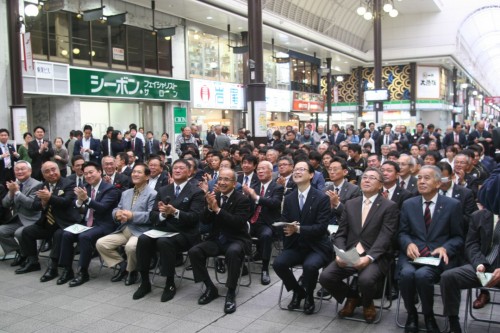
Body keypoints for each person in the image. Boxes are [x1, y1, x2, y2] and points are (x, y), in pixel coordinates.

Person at [319, 167, 399, 322]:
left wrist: (369, 258)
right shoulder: (350, 204)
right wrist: (340, 252)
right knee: (326, 277)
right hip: (351, 252)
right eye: (365, 177)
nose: (367, 180)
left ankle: (368, 303)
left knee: (366, 280)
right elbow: (341, 233)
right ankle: (352, 297)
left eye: (372, 178)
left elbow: (385, 237)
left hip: (376, 255)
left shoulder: (389, 206)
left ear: (380, 184)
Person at [398, 165, 464, 333]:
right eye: (419, 178)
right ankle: (411, 313)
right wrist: (408, 243)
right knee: (406, 274)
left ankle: (428, 315)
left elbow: (458, 237)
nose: (421, 181)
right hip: (413, 254)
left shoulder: (452, 205)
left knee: (422, 275)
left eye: (426, 178)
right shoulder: (409, 204)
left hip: (436, 257)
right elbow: (402, 233)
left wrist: (445, 247)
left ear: (437, 183)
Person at [133, 159, 205, 302]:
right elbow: (153, 215)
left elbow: (195, 217)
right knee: (143, 239)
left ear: (189, 172)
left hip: (184, 233)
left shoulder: (196, 192)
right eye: (175, 168)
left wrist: (175, 212)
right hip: (163, 229)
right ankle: (145, 281)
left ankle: (170, 282)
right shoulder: (164, 190)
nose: (177, 170)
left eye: (181, 168)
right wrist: (163, 214)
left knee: (164, 242)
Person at [440, 164, 500, 333]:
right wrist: (479, 263)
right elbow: (471, 244)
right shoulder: (479, 216)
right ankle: (453, 323)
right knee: (449, 277)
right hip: (482, 266)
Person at [188, 168, 251, 314]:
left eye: (226, 179)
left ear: (234, 183)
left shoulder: (242, 200)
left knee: (233, 251)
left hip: (236, 238)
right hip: (217, 239)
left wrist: (217, 210)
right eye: (220, 179)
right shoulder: (214, 195)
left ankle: (230, 292)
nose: (222, 182)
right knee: (194, 251)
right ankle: (210, 287)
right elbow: (204, 220)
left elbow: (238, 223)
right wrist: (209, 208)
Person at [272, 161, 333, 314]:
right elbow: (284, 218)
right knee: (279, 263)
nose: (297, 172)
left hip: (316, 246)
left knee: (310, 266)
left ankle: (310, 296)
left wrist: (298, 229)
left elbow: (321, 228)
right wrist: (286, 227)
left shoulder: (321, 198)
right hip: (296, 245)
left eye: (302, 169)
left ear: (311, 175)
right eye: (296, 169)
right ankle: (298, 291)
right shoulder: (289, 197)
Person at [56, 161, 120, 287]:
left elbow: (102, 208)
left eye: (91, 172)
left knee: (84, 237)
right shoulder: (85, 187)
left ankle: (82, 272)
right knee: (66, 234)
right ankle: (67, 269)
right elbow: (76, 206)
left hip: (103, 225)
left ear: (99, 172)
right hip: (86, 223)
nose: (88, 176)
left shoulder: (110, 189)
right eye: (85, 174)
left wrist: (86, 199)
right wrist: (80, 201)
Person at [14, 161, 81, 279]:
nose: (51, 173)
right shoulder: (42, 186)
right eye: (47, 171)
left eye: (53, 169)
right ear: (43, 175)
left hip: (64, 223)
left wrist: (50, 198)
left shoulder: (69, 184)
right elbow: (35, 205)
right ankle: (33, 261)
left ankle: (53, 266)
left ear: (59, 170)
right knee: (27, 232)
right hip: (47, 222)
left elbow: (66, 202)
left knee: (58, 234)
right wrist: (43, 204)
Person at [96, 163, 157, 286]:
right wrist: (117, 214)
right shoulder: (126, 193)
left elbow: (152, 216)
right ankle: (123, 265)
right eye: (134, 172)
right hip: (124, 229)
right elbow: (116, 209)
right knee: (101, 243)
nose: (135, 174)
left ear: (147, 177)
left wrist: (132, 215)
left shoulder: (153, 194)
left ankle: (132, 271)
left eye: (139, 172)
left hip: (141, 231)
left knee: (130, 247)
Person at [242, 161, 284, 285]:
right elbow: (247, 207)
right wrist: (245, 196)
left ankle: (265, 268)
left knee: (266, 236)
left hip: (267, 222)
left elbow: (274, 203)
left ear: (271, 172)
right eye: (258, 169)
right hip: (252, 221)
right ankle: (241, 263)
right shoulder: (253, 186)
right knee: (236, 230)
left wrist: (257, 198)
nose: (260, 171)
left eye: (263, 169)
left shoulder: (277, 187)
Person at [0, 161, 41, 263]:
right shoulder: (15, 184)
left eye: (22, 169)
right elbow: (5, 204)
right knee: (1, 231)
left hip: (32, 220)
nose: (20, 171)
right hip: (18, 219)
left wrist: (17, 192)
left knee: (19, 233)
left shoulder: (37, 184)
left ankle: (27, 255)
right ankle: (21, 252)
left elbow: (31, 205)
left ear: (30, 171)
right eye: (17, 169)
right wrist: (10, 192)